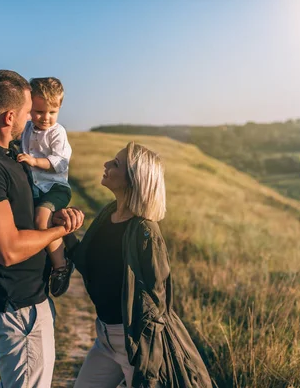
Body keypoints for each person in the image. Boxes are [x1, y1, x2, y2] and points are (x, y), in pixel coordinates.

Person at [0, 70, 84, 388]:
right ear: (10, 116)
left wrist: (52, 216)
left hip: (29, 299)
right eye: (27, 112)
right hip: (17, 308)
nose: (31, 120)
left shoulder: (5, 153)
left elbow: (23, 214)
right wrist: (57, 234)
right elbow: (7, 250)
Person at [57, 142, 212, 388]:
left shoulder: (145, 231)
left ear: (134, 181)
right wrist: (65, 229)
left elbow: (157, 300)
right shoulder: (108, 214)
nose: (106, 165)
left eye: (116, 164)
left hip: (131, 343)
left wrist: (146, 354)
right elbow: (86, 263)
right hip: (105, 338)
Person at [17, 77, 74, 297]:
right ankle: (61, 244)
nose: (46, 118)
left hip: (55, 187)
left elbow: (59, 163)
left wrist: (33, 161)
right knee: (29, 218)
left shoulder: (57, 133)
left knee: (41, 220)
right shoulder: (28, 128)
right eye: (39, 112)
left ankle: (61, 266)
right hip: (36, 187)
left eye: (52, 112)